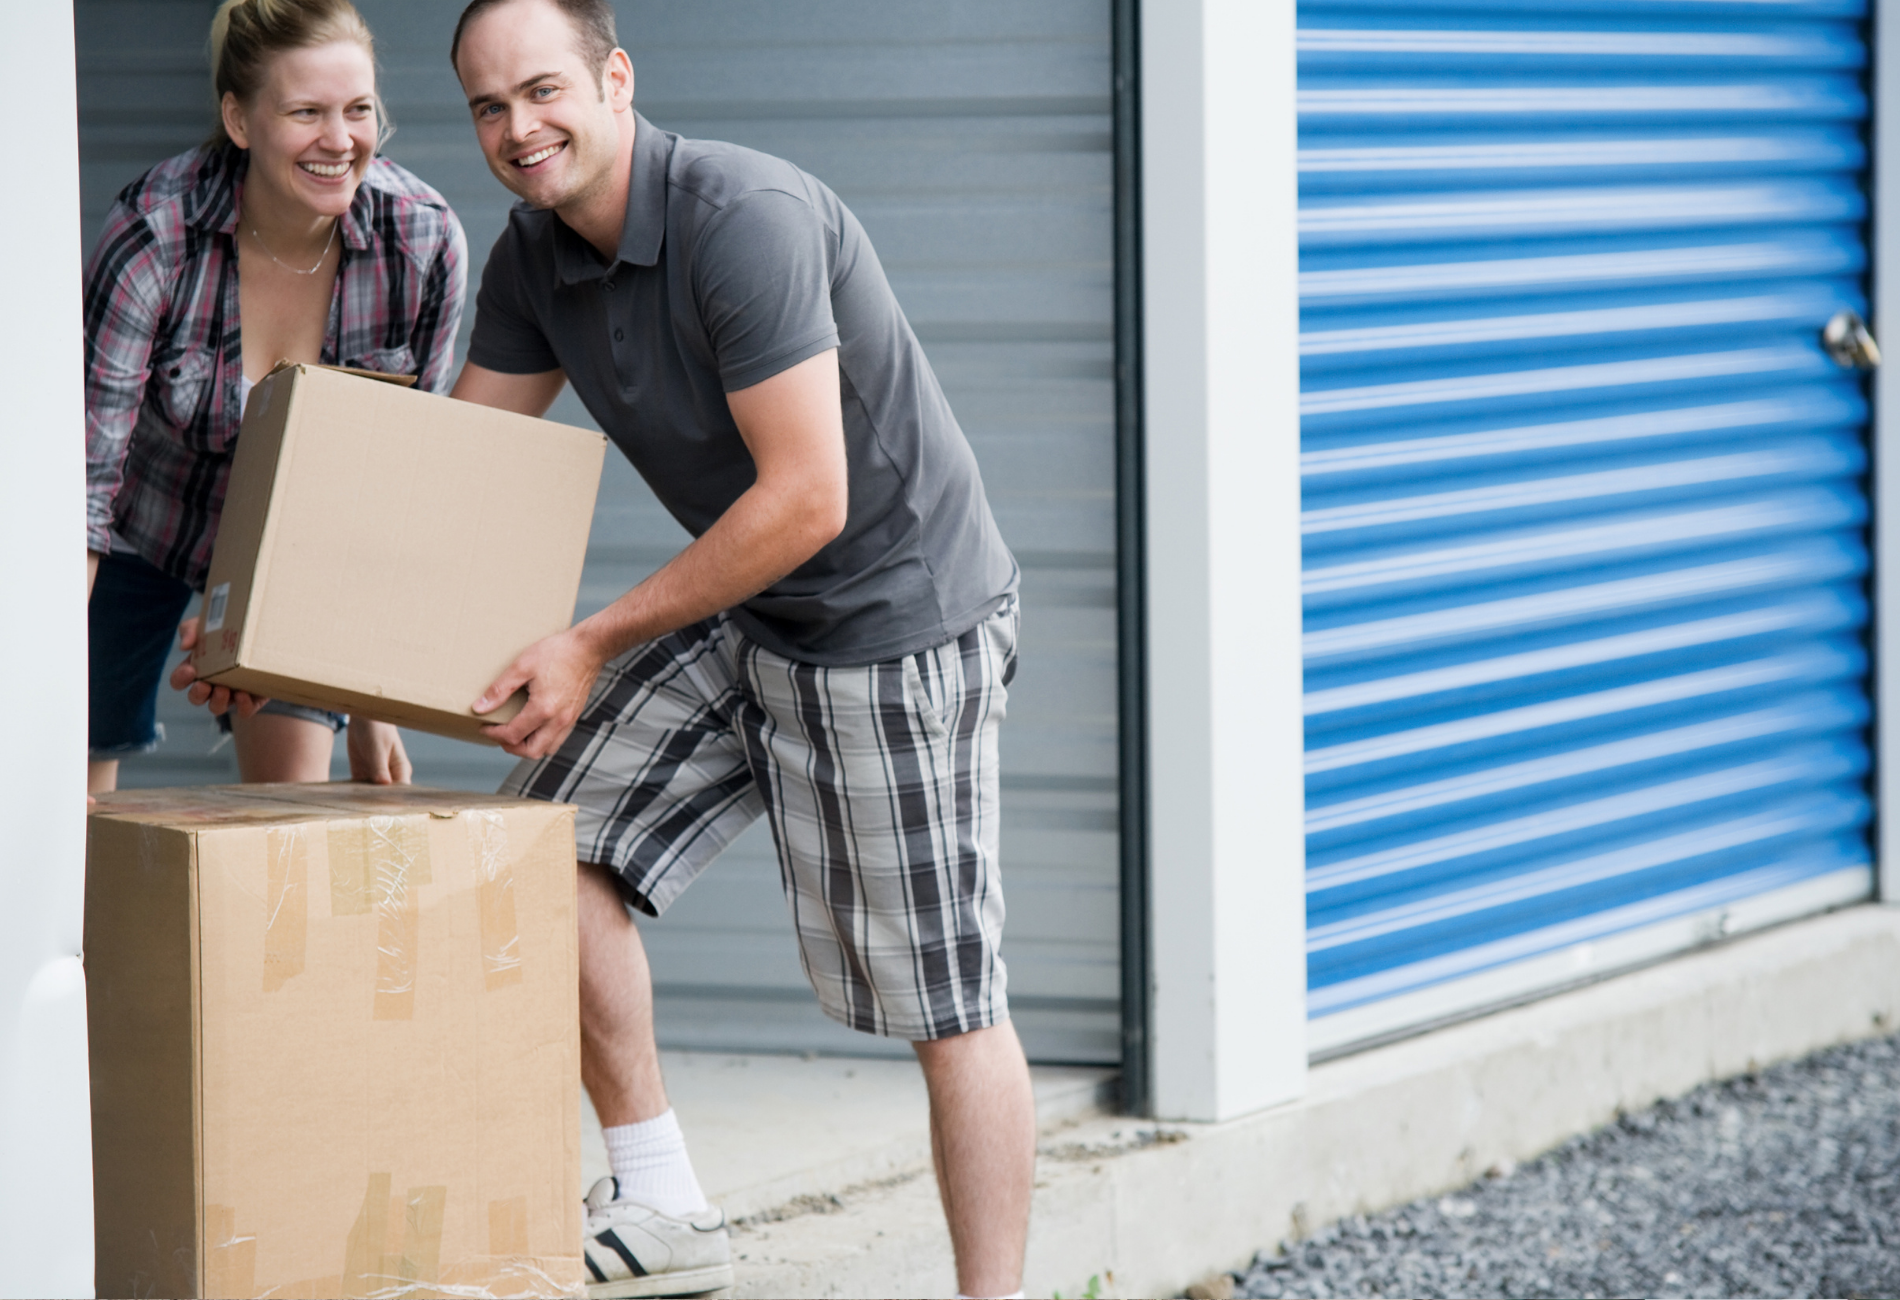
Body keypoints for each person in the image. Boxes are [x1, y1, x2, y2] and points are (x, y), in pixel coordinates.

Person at [448, 1, 1035, 1295]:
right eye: (488, 106)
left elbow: (809, 497)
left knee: (946, 1003)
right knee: (545, 845)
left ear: (616, 77)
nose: (517, 129)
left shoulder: (741, 217)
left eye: (542, 90)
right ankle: (664, 1203)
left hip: (896, 618)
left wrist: (591, 637)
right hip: (756, 606)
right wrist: (290, 644)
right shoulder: (534, 257)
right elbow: (456, 472)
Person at [85, 0, 466, 794]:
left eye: (358, 109)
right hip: (137, 525)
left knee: (291, 808)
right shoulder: (154, 237)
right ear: (240, 118)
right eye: (305, 112)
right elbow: (86, 485)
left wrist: (370, 703)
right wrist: (55, 682)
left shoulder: (422, 242)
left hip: (297, 548)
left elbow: (396, 482)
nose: (340, 140)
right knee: (73, 792)